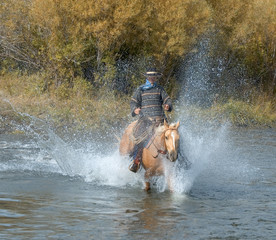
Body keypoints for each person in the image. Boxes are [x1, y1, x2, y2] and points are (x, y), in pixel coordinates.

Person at [128, 67, 173, 172]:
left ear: (156, 77)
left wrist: (167, 105)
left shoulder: (160, 89)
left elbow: (167, 99)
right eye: (150, 76)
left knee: (173, 136)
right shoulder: (140, 89)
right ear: (147, 77)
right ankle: (136, 161)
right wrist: (135, 110)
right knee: (138, 137)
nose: (152, 78)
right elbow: (133, 101)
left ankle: (181, 159)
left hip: (160, 120)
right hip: (145, 120)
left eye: (154, 76)